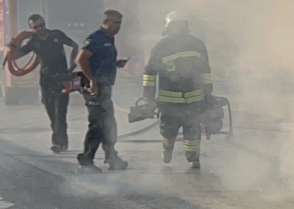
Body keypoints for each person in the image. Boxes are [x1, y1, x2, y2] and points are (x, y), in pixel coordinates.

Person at [141, 11, 213, 171]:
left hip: (181, 99)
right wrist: (208, 91)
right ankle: (171, 151)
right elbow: (150, 72)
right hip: (178, 100)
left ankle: (192, 159)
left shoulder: (162, 46)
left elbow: (205, 70)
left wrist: (148, 96)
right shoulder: (196, 44)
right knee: (174, 130)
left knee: (190, 130)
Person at [10, 14, 77, 152]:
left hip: (62, 77)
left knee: (60, 113)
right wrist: (14, 45)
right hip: (46, 80)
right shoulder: (33, 42)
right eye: (36, 27)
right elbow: (15, 56)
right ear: (31, 28)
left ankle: (58, 143)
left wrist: (72, 64)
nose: (40, 29)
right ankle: (61, 141)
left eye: (42, 25)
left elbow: (74, 45)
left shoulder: (56, 34)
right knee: (51, 112)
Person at [76, 9, 128, 171]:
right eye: (115, 23)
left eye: (119, 23)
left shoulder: (109, 39)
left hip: (105, 87)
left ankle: (112, 157)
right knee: (98, 124)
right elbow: (81, 59)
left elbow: (100, 60)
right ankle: (86, 161)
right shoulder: (96, 38)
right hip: (94, 88)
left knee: (109, 124)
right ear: (105, 22)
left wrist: (116, 63)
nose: (118, 27)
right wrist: (92, 80)